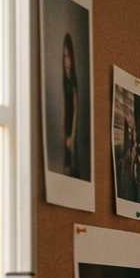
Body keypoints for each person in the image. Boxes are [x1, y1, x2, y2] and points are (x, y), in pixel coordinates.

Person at [61, 33, 80, 176]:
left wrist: (72, 136)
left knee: (72, 163)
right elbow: (64, 107)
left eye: (68, 57)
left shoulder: (73, 84)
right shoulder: (65, 82)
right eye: (64, 57)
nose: (66, 61)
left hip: (71, 130)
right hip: (66, 128)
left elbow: (75, 111)